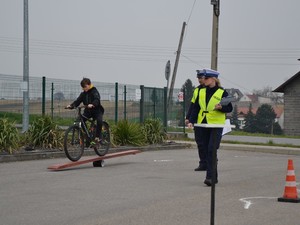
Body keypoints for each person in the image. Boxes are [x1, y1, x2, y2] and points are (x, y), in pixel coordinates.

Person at [188, 69, 233, 186]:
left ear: (213, 79)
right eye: (204, 78)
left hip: (216, 125)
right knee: (206, 148)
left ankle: (210, 177)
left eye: (206, 78)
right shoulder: (201, 91)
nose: (204, 80)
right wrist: (191, 121)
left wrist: (221, 108)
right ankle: (213, 177)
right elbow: (196, 108)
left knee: (211, 149)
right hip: (203, 123)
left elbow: (229, 108)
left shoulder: (222, 92)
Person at [66, 77, 104, 142]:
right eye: (83, 87)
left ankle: (97, 137)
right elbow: (77, 101)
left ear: (89, 85)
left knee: (99, 121)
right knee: (81, 121)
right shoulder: (83, 94)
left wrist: (92, 104)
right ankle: (88, 135)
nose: (84, 88)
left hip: (97, 111)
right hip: (88, 112)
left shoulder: (94, 91)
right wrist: (71, 106)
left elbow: (97, 99)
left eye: (85, 86)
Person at [185, 73, 206, 171]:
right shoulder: (197, 90)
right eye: (198, 78)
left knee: (209, 144)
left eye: (201, 78)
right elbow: (193, 105)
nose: (199, 80)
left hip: (209, 120)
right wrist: (188, 117)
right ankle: (202, 163)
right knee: (200, 142)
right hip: (198, 120)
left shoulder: (211, 90)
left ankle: (211, 162)